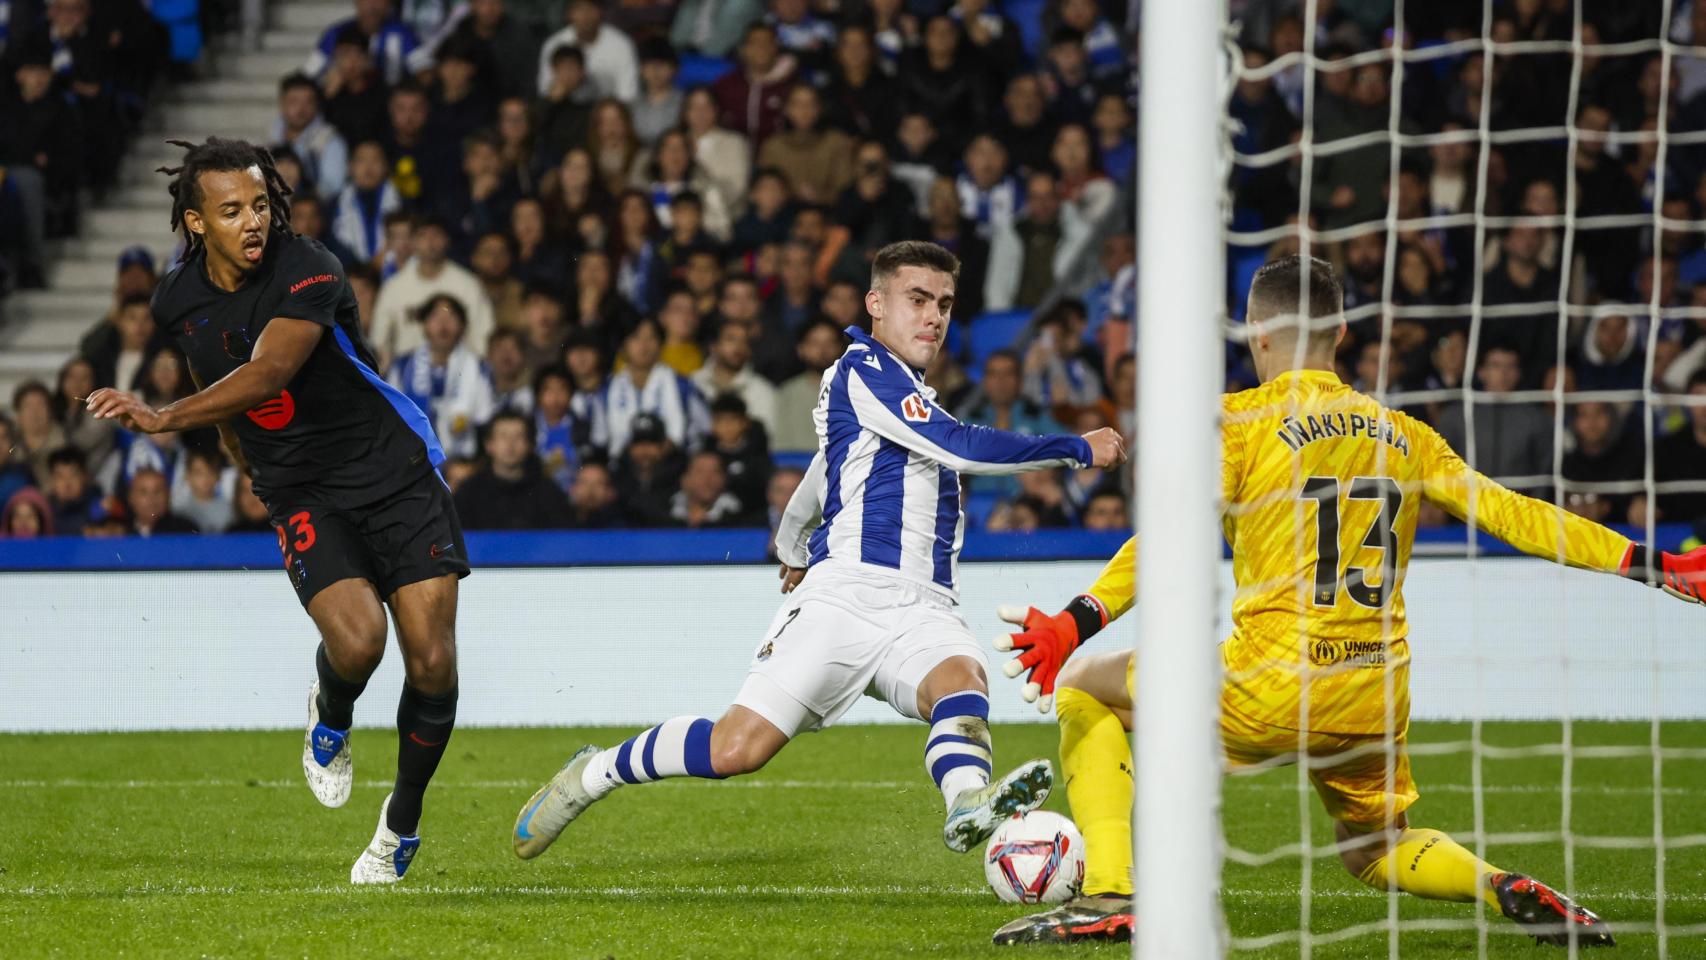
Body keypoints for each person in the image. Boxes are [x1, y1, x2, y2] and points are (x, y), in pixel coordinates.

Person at [988, 255, 1706, 946]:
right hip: (1373, 693)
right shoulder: (1407, 435)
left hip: (1269, 684)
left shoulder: (1236, 421)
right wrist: (1656, 563)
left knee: (1085, 688)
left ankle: (1114, 894)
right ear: (1342, 334)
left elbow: (1170, 539)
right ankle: (1496, 883)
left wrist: (1077, 621)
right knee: (1373, 848)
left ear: (1256, 335)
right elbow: (1513, 514)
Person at [510, 240, 1125, 864]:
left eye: (943, 303)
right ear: (876, 304)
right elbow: (962, 447)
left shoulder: (907, 397)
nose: (934, 316)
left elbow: (820, 474)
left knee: (961, 680)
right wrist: (1077, 447)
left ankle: (967, 799)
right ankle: (594, 774)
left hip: (924, 604)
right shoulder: (864, 370)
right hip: (848, 596)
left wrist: (790, 542)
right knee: (735, 750)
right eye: (917, 299)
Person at [86, 137, 467, 885]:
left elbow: (268, 371)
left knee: (431, 659)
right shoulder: (176, 300)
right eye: (232, 211)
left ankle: (402, 825)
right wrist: (241, 457)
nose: (254, 221)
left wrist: (168, 418)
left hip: (393, 472)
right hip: (302, 489)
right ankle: (331, 713)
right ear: (196, 223)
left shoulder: (310, 266)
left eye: (260, 204)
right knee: (359, 646)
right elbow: (214, 367)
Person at [370, 217, 496, 367]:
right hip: (406, 375)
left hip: (459, 373)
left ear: (447, 240)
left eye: (436, 235)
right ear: (413, 242)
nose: (430, 242)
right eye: (423, 235)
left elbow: (483, 337)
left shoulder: (468, 284)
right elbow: (379, 341)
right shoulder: (393, 287)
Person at [386, 294, 496, 459]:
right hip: (412, 459)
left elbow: (485, 418)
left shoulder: (478, 368)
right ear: (424, 325)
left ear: (462, 326)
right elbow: (391, 416)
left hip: (463, 462)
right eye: (435, 316)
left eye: (451, 317)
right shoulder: (403, 366)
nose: (443, 324)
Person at [453, 410, 573, 529]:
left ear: (529, 445)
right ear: (488, 444)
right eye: (503, 436)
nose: (510, 444)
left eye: (518, 436)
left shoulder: (549, 493)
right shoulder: (468, 493)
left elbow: (562, 539)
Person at [536, 0, 639, 102]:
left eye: (591, 8)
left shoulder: (621, 44)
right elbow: (544, 89)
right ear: (569, 14)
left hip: (608, 112)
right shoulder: (554, 44)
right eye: (579, 8)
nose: (585, 15)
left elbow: (628, 95)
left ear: (601, 11)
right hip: (565, 111)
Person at [271, 73, 350, 198]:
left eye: (308, 102)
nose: (301, 109)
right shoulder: (270, 140)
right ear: (281, 103)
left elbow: (333, 188)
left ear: (317, 105)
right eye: (293, 101)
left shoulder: (330, 140)